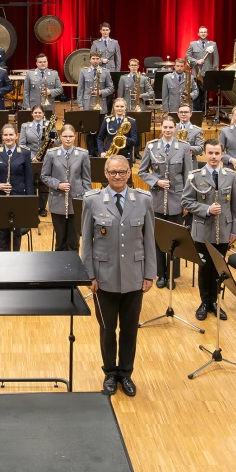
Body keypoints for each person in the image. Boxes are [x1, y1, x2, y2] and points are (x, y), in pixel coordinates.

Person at [80, 155, 156, 397]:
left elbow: (149, 240)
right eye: (113, 172)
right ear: (105, 174)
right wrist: (89, 275)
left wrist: (150, 274)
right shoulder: (92, 200)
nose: (117, 176)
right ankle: (110, 373)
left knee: (130, 329)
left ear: (128, 173)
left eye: (122, 172)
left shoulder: (143, 200)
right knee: (107, 328)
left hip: (134, 276)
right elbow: (87, 243)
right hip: (104, 277)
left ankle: (126, 373)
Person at [184, 138, 236, 321]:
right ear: (204, 153)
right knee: (204, 267)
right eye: (210, 153)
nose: (213, 156)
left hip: (224, 230)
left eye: (217, 153)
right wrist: (206, 209)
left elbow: (235, 205)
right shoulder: (194, 176)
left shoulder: (231, 175)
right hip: (202, 230)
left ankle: (214, 302)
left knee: (219, 268)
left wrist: (235, 229)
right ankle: (204, 302)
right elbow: (186, 202)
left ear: (223, 154)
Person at [138, 116, 194, 288]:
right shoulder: (151, 146)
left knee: (175, 240)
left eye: (171, 127)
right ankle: (160, 274)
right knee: (157, 238)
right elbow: (142, 171)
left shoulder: (184, 147)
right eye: (165, 127)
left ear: (175, 128)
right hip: (156, 200)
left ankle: (172, 275)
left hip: (177, 200)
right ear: (160, 127)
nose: (168, 130)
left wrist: (187, 202)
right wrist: (156, 181)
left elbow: (188, 176)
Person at [0, 123, 34, 251]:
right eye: (5, 135)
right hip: (0, 198)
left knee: (16, 233)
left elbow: (28, 178)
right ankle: (3, 264)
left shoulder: (24, 153)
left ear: (16, 136)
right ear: (2, 136)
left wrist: (30, 201)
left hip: (18, 198)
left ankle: (15, 263)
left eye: (11, 135)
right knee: (2, 232)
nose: (8, 137)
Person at [42, 125, 90, 253]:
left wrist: (87, 198)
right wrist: (58, 184)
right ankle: (60, 271)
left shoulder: (83, 154)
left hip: (77, 201)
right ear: (60, 137)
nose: (68, 139)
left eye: (70, 136)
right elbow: (44, 176)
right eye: (65, 136)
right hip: (58, 201)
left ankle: (74, 269)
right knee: (61, 241)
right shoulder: (51, 154)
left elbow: (86, 180)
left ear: (75, 137)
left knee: (74, 241)